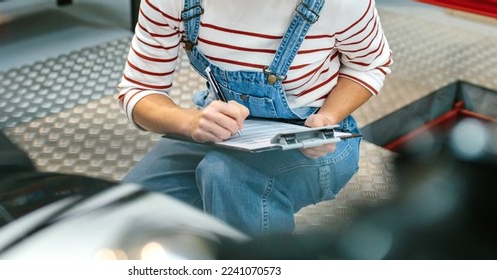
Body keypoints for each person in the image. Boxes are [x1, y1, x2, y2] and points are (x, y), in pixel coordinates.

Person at [117, 0, 392, 235]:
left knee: (228, 177)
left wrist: (327, 117)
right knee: (123, 208)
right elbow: (140, 88)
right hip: (218, 129)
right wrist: (189, 122)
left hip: (314, 137)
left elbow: (369, 64)